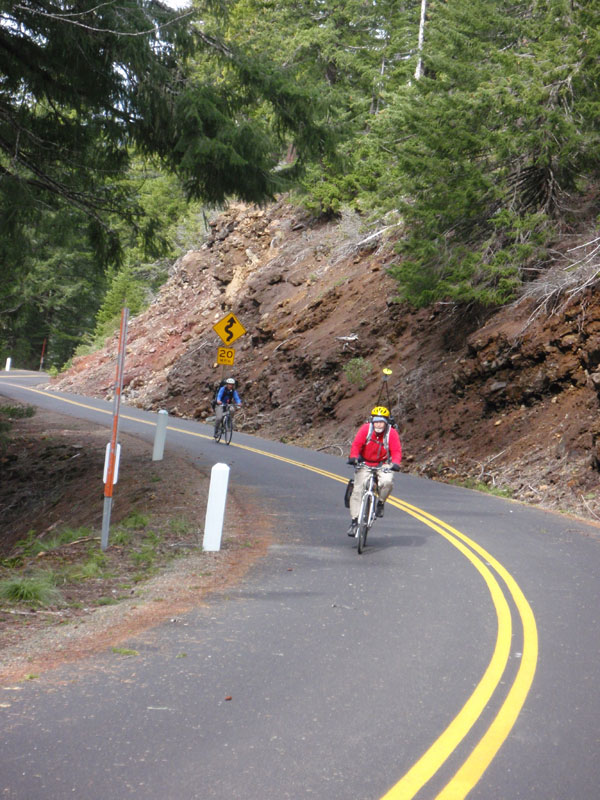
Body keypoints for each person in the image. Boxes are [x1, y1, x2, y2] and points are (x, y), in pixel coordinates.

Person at [346, 406, 402, 536]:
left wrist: (396, 463)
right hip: (365, 462)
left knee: (387, 482)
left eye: (381, 421)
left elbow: (396, 451)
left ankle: (381, 503)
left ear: (386, 422)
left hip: (383, 464)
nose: (378, 424)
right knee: (357, 490)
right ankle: (354, 522)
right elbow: (356, 445)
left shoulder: (391, 433)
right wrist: (354, 457)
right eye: (376, 421)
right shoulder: (366, 429)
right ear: (372, 421)